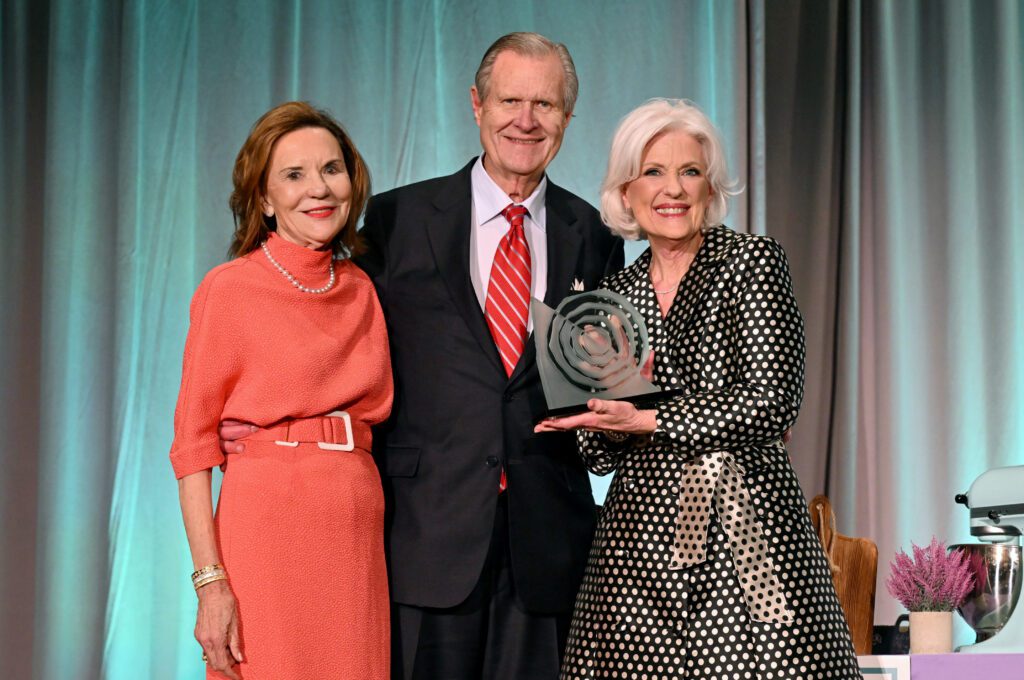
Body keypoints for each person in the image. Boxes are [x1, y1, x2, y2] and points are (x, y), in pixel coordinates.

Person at [536, 99, 861, 679]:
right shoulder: (610, 296)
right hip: (638, 558)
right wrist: (595, 418)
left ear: (710, 188)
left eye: (690, 171)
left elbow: (772, 403)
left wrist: (648, 419)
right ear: (627, 191)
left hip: (748, 534)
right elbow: (596, 452)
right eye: (654, 172)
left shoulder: (751, 261)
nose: (674, 190)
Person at [358, 32, 623, 679]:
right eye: (510, 100)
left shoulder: (594, 233)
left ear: (568, 117)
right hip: (427, 537)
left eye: (546, 104)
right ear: (476, 104)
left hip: (547, 545)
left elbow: (603, 385)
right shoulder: (396, 220)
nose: (526, 121)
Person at [170, 101, 393, 679]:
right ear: (264, 199)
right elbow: (193, 448)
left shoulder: (362, 289)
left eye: (331, 169)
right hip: (268, 524)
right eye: (293, 175)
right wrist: (210, 584)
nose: (318, 188)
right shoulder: (230, 289)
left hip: (354, 529)